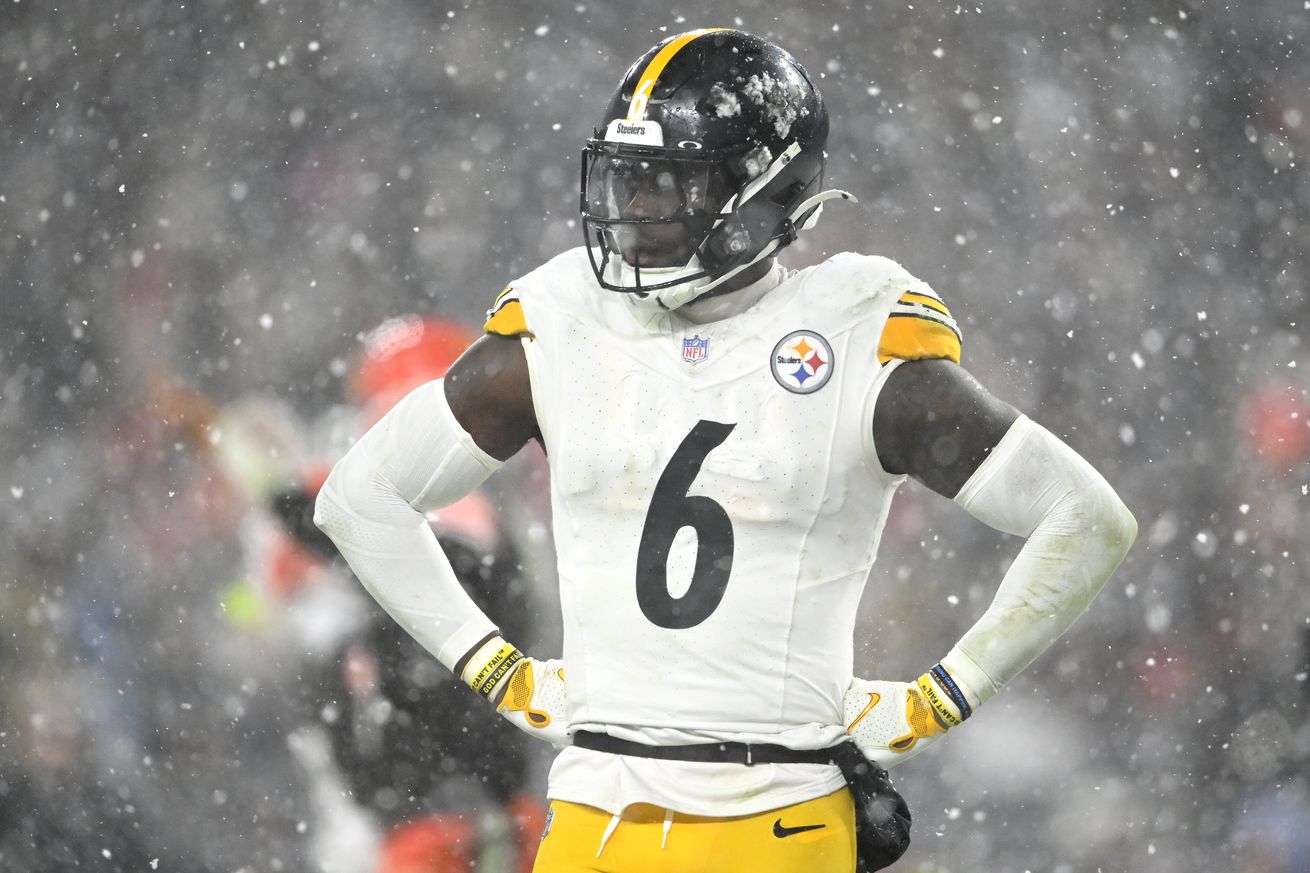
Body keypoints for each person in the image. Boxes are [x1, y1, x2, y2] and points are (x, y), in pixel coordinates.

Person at [314, 28, 1137, 873]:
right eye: (626, 183)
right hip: (593, 815)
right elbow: (359, 497)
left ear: (767, 196)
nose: (634, 217)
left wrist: (944, 696)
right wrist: (495, 670)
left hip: (774, 819)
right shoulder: (563, 320)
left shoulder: (855, 334)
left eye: (669, 188)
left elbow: (1086, 517)